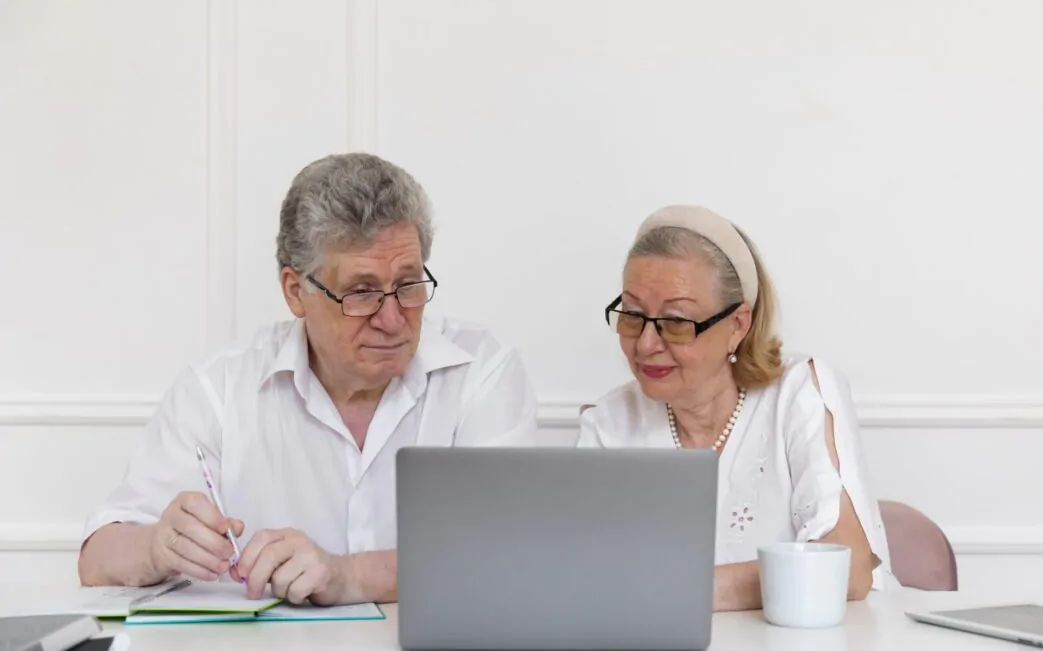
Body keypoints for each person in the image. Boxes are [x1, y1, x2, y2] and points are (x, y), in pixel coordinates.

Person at [78, 153, 538, 605]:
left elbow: (506, 552)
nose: (394, 318)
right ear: (295, 291)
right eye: (362, 292)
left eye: (409, 284)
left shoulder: (481, 372)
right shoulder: (218, 390)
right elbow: (97, 560)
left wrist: (347, 575)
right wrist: (158, 547)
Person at [577, 204, 896, 611]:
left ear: (738, 325)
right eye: (633, 316)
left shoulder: (799, 390)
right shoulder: (610, 421)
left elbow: (846, 569)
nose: (645, 344)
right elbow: (583, 577)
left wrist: (672, 590)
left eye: (676, 322)